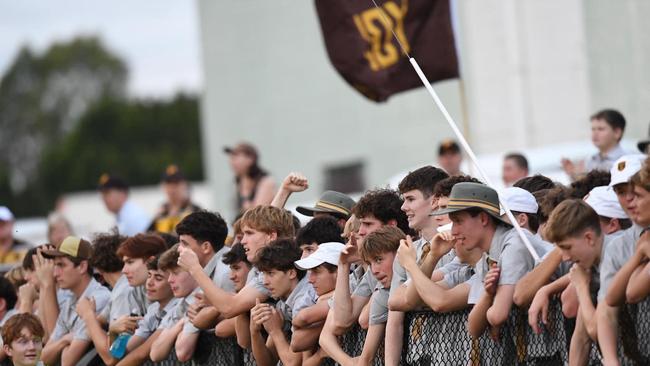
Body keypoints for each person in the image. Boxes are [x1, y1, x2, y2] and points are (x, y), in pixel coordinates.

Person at [320, 226, 405, 366]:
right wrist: (343, 264)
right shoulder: (379, 281)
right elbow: (341, 321)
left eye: (378, 260)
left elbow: (365, 319)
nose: (375, 271)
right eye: (369, 263)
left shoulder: (413, 270)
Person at [544, 200, 609, 364]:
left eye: (567, 247)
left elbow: (598, 331)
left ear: (589, 237)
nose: (565, 258)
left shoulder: (614, 258)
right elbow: (581, 337)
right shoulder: (590, 267)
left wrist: (581, 287)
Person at [174, 211, 235, 361]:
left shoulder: (226, 271)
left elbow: (230, 313)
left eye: (184, 243)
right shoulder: (209, 270)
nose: (178, 249)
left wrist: (208, 313)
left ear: (206, 247)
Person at [40, 236, 111, 366]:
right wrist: (66, 340)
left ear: (82, 267)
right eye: (55, 266)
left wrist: (61, 343)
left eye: (61, 265)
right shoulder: (70, 302)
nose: (55, 273)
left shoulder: (99, 298)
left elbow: (67, 361)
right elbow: (44, 358)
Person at [249, 239, 313, 366]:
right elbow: (267, 362)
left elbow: (293, 363)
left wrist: (275, 331)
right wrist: (254, 331)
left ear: (291, 273)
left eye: (271, 273)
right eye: (263, 274)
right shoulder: (284, 301)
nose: (265, 281)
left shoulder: (304, 300)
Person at [149, 244, 199, 362]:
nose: (170, 280)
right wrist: (180, 324)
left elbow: (183, 352)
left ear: (193, 271)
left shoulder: (200, 299)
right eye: (169, 274)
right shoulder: (182, 303)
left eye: (175, 273)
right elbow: (155, 353)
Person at [561, 109, 627, 180]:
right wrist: (574, 176)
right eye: (593, 129)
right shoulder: (589, 161)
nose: (595, 133)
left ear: (617, 132)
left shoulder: (626, 161)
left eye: (600, 129)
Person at [224, 142, 276, 214]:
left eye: (235, 157)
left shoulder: (265, 181)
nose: (232, 161)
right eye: (231, 158)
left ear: (250, 159)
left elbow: (258, 213)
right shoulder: (238, 182)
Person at [148, 164, 201, 234]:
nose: (172, 188)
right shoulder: (161, 213)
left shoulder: (195, 211)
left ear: (184, 184)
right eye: (168, 183)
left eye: (176, 183)